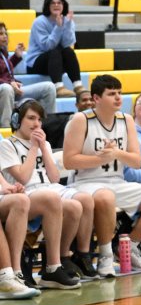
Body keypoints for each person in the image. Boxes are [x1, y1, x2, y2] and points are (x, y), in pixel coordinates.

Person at [63, 75, 141, 278]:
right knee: (106, 197)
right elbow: (69, 161)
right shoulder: (81, 120)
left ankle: (131, 245)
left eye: (119, 93)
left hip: (118, 182)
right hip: (85, 183)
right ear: (96, 98)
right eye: (111, 94)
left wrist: (116, 153)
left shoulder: (126, 120)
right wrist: (99, 159)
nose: (118, 97)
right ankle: (105, 256)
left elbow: (136, 161)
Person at [0, 100, 91, 289]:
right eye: (31, 118)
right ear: (17, 120)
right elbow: (23, 177)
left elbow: (55, 178)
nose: (36, 124)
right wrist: (34, 148)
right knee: (51, 198)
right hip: (26, 191)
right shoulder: (8, 145)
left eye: (39, 120)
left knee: (75, 206)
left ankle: (60, 260)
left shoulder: (45, 144)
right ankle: (52, 266)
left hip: (48, 189)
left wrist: (43, 148)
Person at [25, 0, 85, 98]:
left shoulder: (67, 20)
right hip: (36, 63)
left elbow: (67, 44)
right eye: (53, 3)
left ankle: (78, 86)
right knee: (55, 51)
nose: (56, 5)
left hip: (57, 63)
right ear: (47, 5)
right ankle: (58, 87)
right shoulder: (39, 22)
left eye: (59, 3)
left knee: (68, 51)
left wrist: (68, 25)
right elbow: (47, 46)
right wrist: (58, 27)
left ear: (63, 5)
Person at [0, 21, 56, 127]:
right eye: (1, 34)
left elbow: (4, 70)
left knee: (49, 87)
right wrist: (9, 83)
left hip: (11, 89)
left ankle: (49, 126)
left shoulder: (3, 52)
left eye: (5, 33)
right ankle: (6, 128)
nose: (5, 36)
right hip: (5, 89)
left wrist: (16, 57)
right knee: (7, 88)